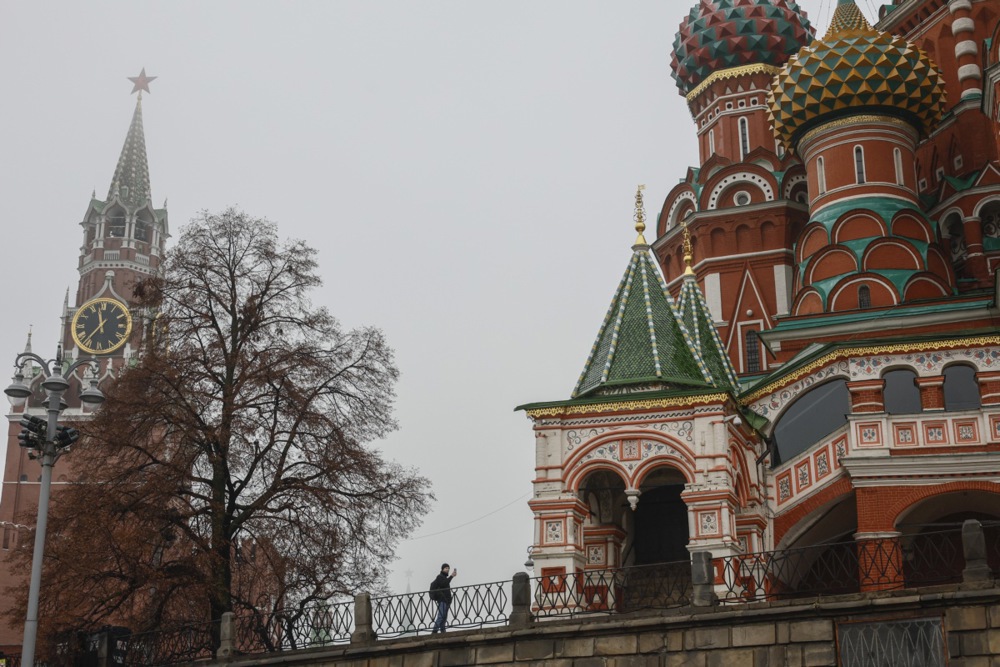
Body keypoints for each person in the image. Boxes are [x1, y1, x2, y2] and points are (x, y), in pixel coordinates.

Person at [430, 563, 457, 633]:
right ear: (442, 569)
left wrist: (449, 600)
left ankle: (443, 630)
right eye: (446, 568)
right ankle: (434, 631)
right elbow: (443, 584)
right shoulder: (439, 577)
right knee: (441, 616)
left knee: (444, 617)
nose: (447, 569)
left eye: (448, 568)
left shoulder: (445, 578)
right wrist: (451, 576)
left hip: (447, 600)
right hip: (442, 600)